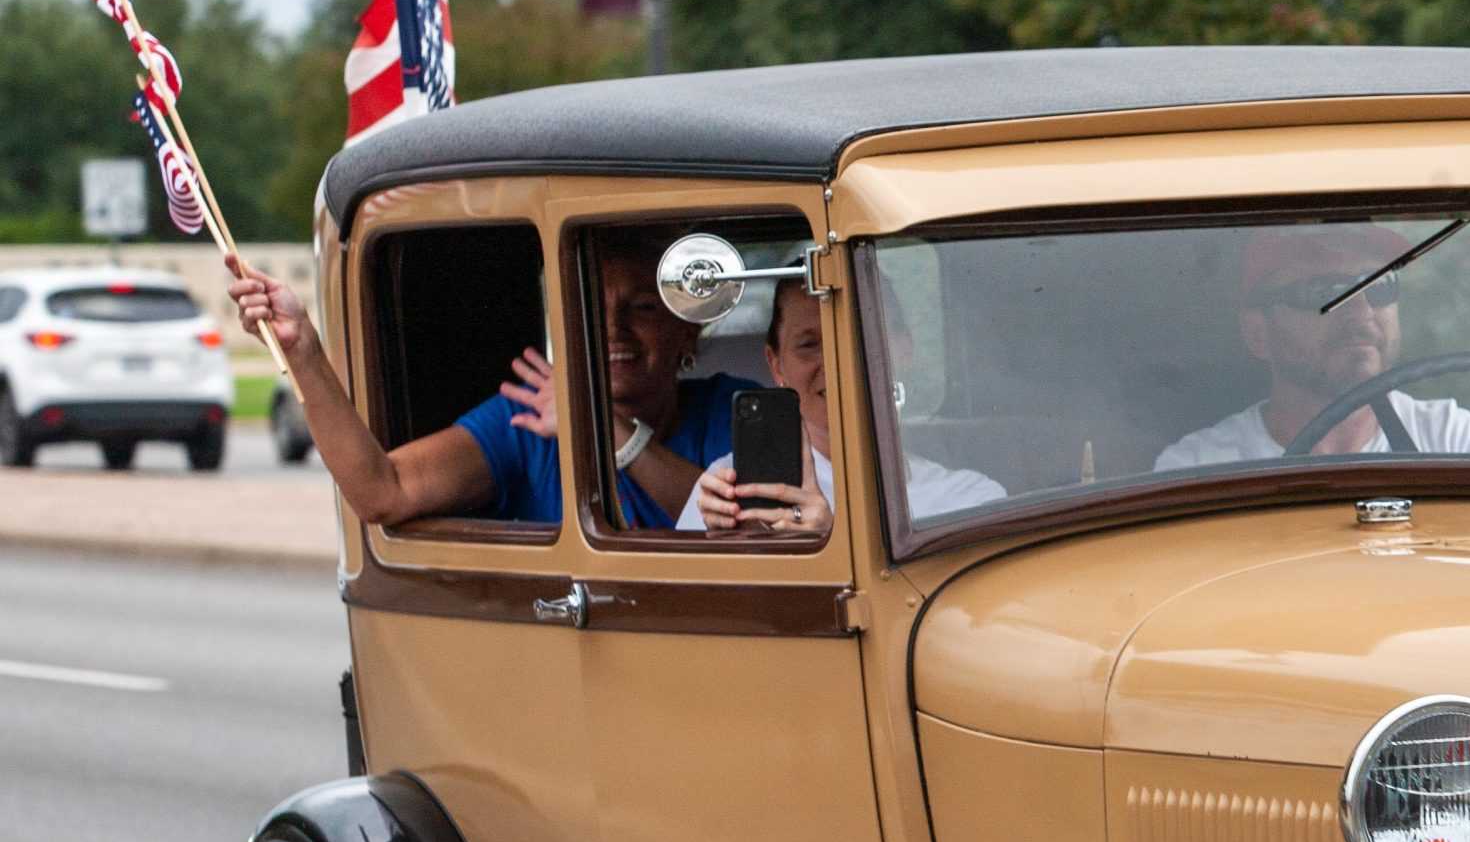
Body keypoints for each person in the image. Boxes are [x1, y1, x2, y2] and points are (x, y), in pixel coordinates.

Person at [226, 232, 748, 528]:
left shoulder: (734, 410)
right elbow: (384, 492)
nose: (614, 329)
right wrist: (304, 350)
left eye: (642, 308)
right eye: (592, 309)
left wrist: (605, 431)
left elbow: (744, 527)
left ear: (688, 330)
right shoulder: (525, 418)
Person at [1154, 222, 1470, 470]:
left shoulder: (1451, 439)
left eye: (1379, 286)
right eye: (1324, 293)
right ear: (1258, 333)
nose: (1360, 311)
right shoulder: (1201, 465)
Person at [679, 281, 1003, 533]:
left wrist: (827, 538)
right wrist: (735, 545)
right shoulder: (728, 489)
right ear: (776, 365)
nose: (836, 363)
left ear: (903, 349)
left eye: (859, 335)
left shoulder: (971, 499)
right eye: (809, 344)